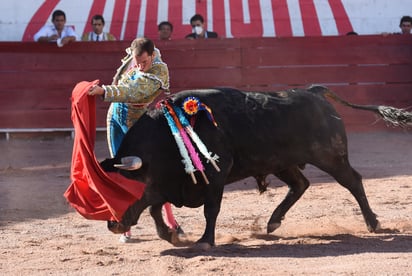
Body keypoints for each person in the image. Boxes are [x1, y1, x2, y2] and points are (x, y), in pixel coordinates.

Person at [88, 37, 182, 243]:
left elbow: (131, 92)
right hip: (115, 116)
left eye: (144, 63)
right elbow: (120, 79)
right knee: (119, 172)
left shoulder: (159, 71)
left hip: (138, 122)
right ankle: (125, 229)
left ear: (152, 56)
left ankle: (172, 222)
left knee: (152, 172)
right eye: (137, 62)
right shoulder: (136, 57)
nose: (139, 66)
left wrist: (104, 91)